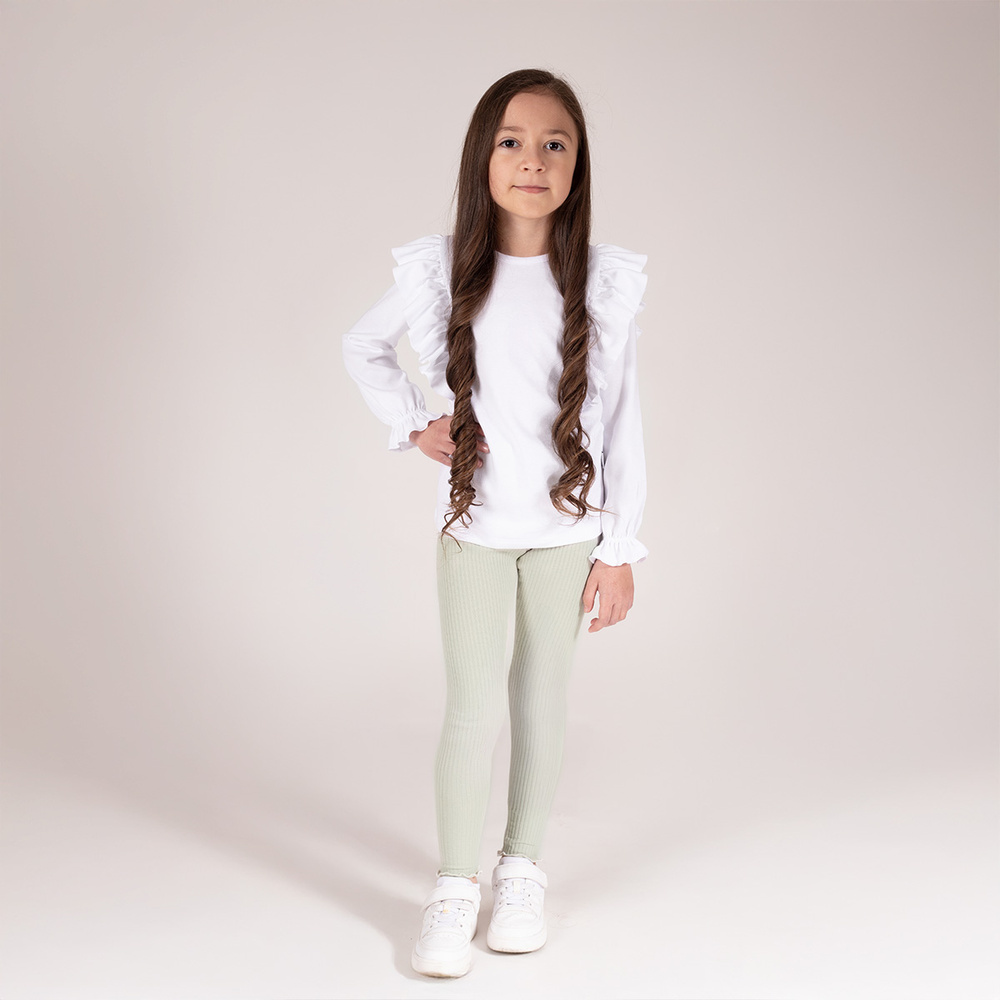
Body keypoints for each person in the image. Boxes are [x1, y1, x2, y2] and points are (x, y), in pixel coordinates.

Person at [342, 68, 648, 979]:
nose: (533, 160)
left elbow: (623, 419)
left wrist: (620, 545)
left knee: (541, 701)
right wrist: (414, 424)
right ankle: (454, 885)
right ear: (483, 156)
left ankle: (522, 871)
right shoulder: (441, 273)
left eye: (556, 143)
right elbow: (362, 344)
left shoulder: (600, 283)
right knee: (472, 709)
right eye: (512, 141)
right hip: (475, 530)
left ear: (578, 165)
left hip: (567, 534)